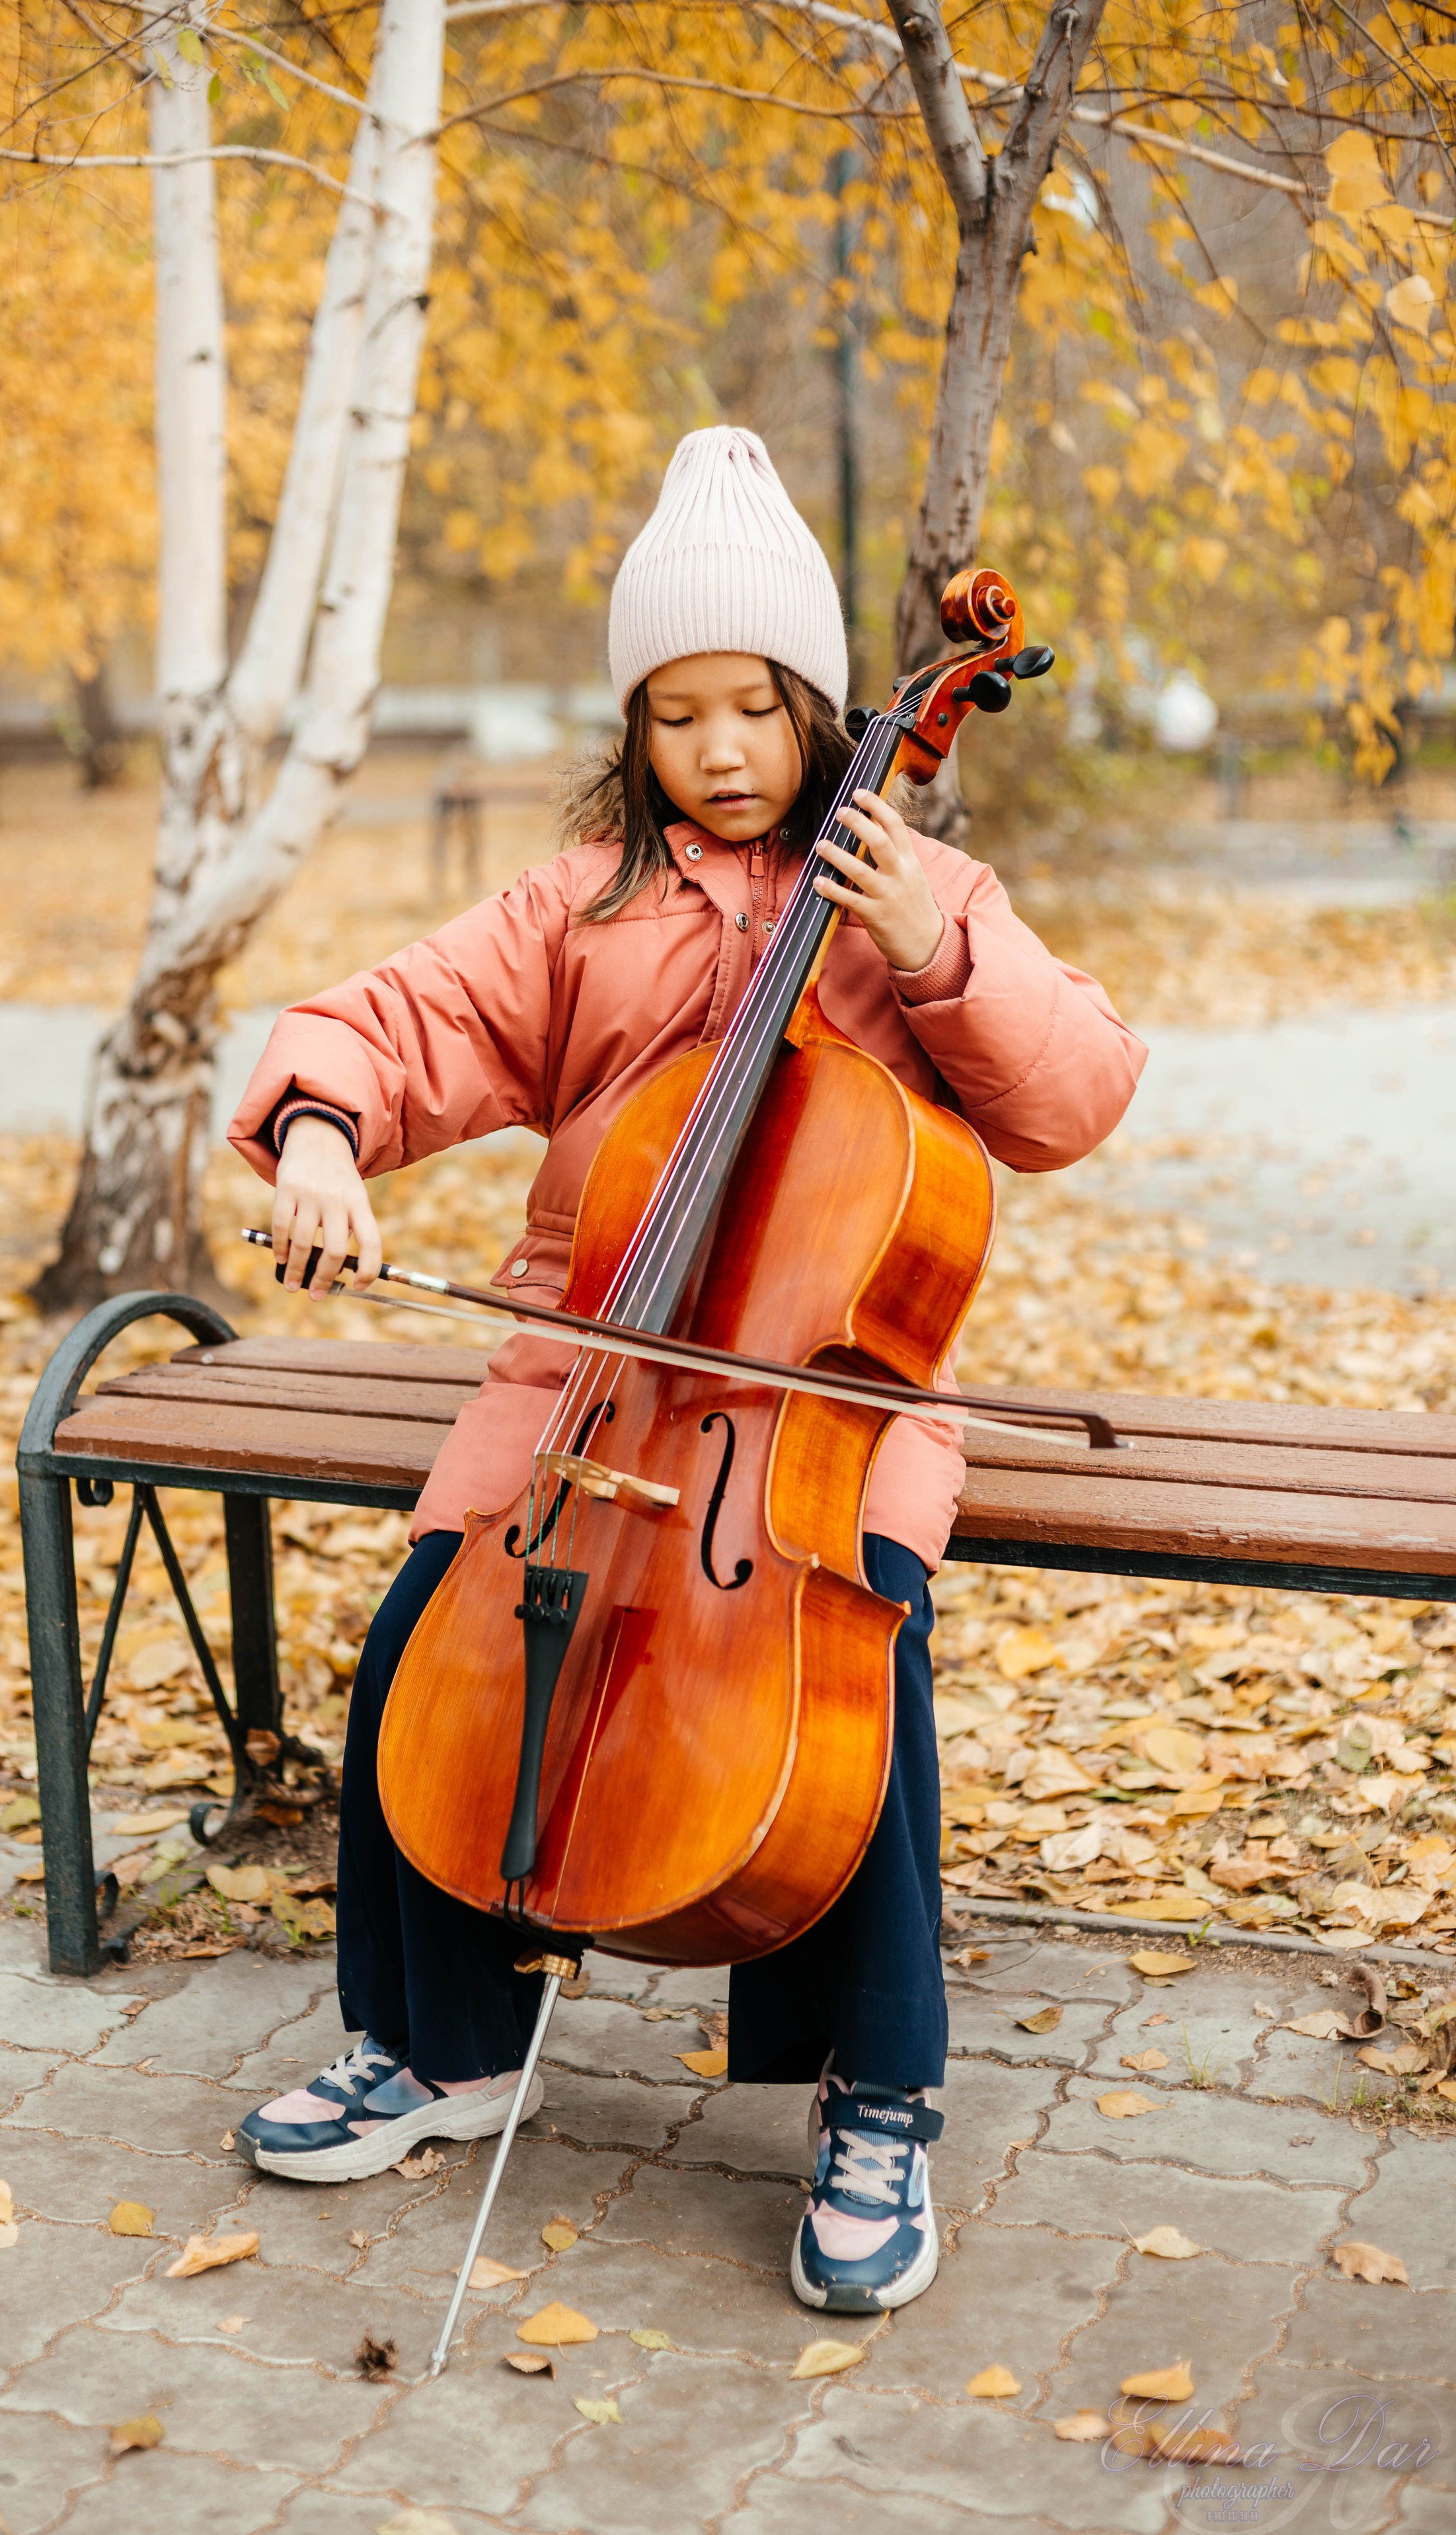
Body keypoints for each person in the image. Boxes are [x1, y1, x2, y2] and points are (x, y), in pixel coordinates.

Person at [225, 426, 1145, 2313]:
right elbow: (401, 1018)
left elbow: (1077, 1093)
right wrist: (319, 1122)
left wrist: (941, 938)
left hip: (818, 1425)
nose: (719, 751)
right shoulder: (583, 904)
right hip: (577, 1399)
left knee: (852, 1703)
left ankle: (876, 2097)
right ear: (632, 734)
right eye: (674, 715)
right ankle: (439, 2044)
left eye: (750, 707)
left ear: (816, 703)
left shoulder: (906, 889)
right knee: (426, 1653)